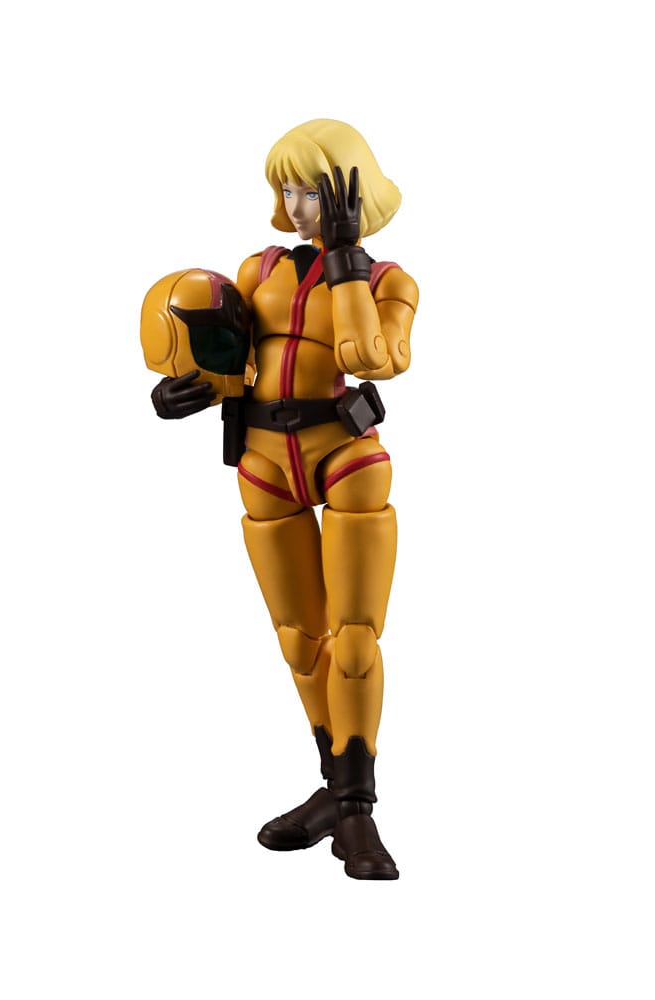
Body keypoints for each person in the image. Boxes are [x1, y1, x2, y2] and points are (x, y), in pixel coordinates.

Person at [145, 119, 419, 880]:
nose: (296, 207)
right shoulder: (256, 270)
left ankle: (358, 808)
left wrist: (345, 263)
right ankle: (334, 789)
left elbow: (374, 357)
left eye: (313, 191)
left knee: (354, 638)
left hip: (346, 457)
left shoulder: (388, 282)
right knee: (300, 641)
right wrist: (184, 390)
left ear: (352, 193)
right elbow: (232, 363)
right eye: (288, 189)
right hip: (264, 462)